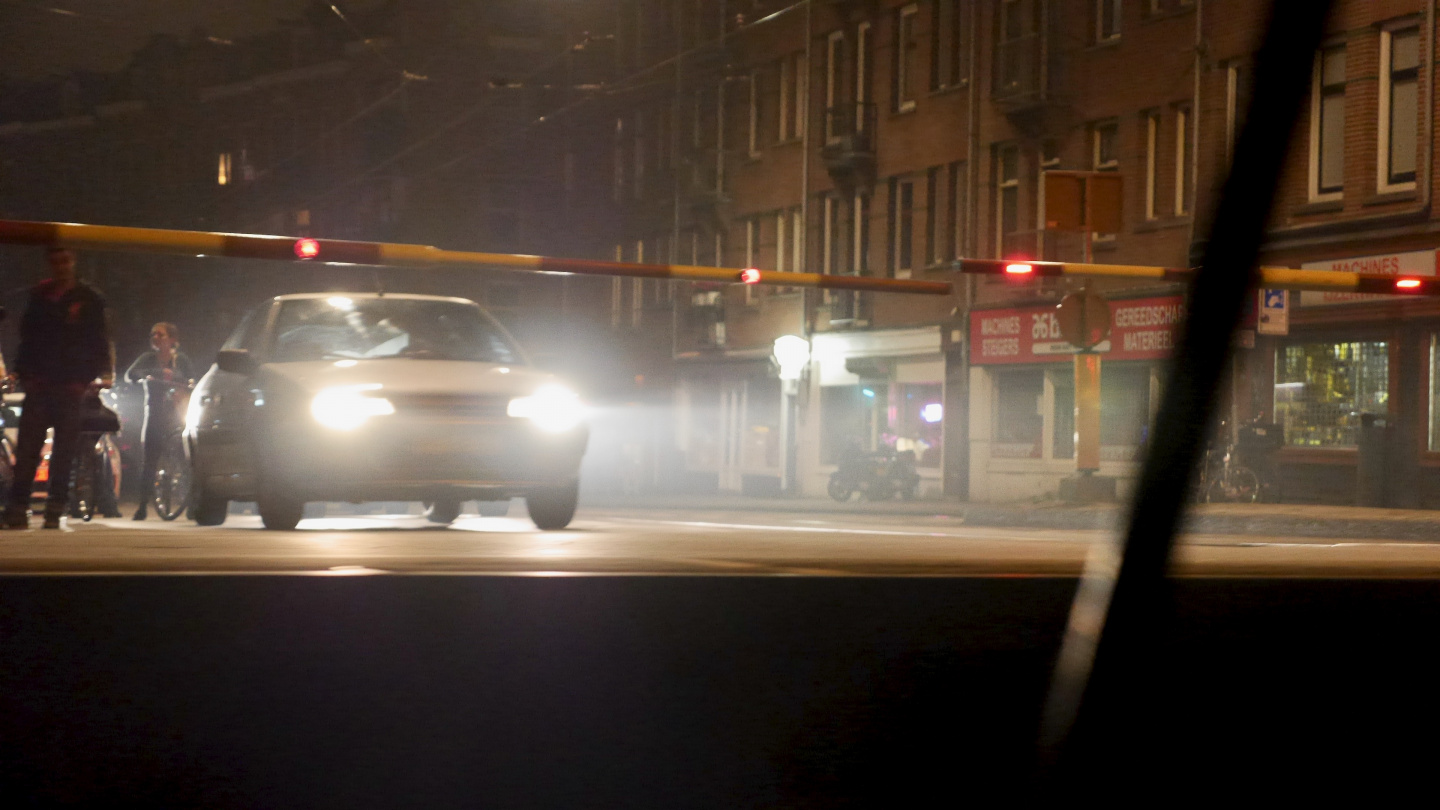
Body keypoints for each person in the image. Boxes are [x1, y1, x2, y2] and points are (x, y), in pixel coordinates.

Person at [3, 247, 114, 530]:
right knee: (29, 449)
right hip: (41, 382)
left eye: (65, 260)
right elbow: (27, 338)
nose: (61, 266)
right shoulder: (40, 297)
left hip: (69, 385)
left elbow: (98, 341)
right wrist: (22, 371)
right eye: (57, 261)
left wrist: (89, 377)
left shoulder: (88, 300)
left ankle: (54, 508)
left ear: (73, 262)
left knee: (64, 451)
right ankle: (19, 507)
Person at [125, 322, 193, 521]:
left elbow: (191, 380)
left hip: (177, 413)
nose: (155, 337)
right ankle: (143, 505)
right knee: (149, 460)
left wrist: (186, 387)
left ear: (172, 339)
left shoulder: (182, 360)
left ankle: (189, 501)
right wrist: (144, 376)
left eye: (160, 335)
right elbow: (130, 375)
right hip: (155, 413)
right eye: (153, 334)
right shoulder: (147, 359)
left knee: (186, 457)